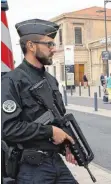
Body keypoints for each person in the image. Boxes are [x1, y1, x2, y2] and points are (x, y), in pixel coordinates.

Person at [1, 19, 79, 184]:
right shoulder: (11, 81)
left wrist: (65, 144)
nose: (54, 49)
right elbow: (8, 129)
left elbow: (59, 118)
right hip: (32, 168)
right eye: (49, 44)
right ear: (31, 45)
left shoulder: (51, 80)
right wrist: (50, 131)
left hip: (55, 161)